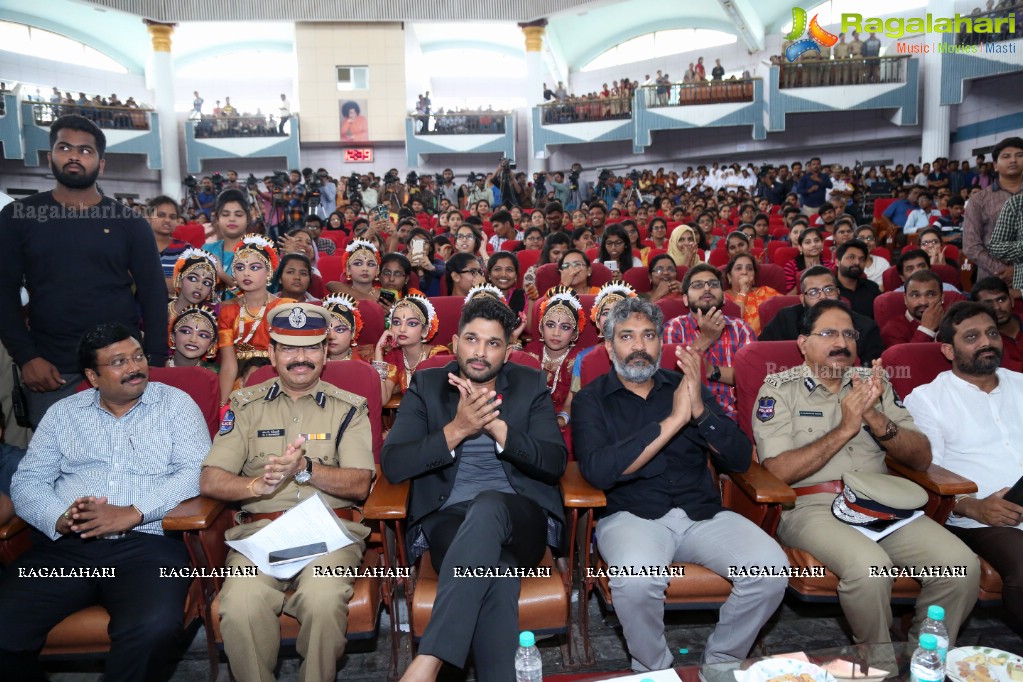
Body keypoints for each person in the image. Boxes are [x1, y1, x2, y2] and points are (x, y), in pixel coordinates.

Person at [573, 297, 786, 669]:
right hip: (631, 516)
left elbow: (737, 458)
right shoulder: (591, 400)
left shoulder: (687, 386)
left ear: (660, 343)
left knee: (771, 570)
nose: (639, 346)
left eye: (649, 335)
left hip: (700, 514)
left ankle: (721, 663)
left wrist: (700, 411)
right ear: (609, 347)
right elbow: (600, 471)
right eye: (627, 336)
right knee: (636, 580)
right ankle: (654, 670)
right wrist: (673, 421)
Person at [752, 299, 979, 647]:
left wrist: (874, 416)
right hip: (815, 506)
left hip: (883, 503)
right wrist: (844, 428)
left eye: (848, 334)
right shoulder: (780, 389)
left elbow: (921, 458)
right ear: (803, 343)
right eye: (827, 333)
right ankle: (880, 665)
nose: (840, 343)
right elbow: (777, 471)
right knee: (871, 570)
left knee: (959, 568)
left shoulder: (875, 383)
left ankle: (925, 657)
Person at [0, 323, 211, 681]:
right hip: (68, 549)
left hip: (149, 548)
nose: (134, 367)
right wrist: (59, 517)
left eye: (138, 356)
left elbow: (196, 473)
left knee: (154, 627)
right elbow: (28, 481)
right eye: (118, 362)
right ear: (92, 376)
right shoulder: (63, 414)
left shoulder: (175, 405)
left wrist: (132, 513)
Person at [381, 296, 567, 682]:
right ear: (454, 341)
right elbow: (395, 464)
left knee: (489, 505)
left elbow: (554, 463)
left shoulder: (530, 385)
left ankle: (429, 659)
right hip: (449, 519)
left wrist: (497, 427)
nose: (480, 352)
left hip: (521, 517)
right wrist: (458, 429)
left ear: (508, 351)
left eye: (493, 343)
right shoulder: (428, 386)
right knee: (495, 573)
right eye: (471, 339)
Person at [200, 303, 375, 682]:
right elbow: (211, 478)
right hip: (259, 535)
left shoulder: (349, 408)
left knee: (323, 599)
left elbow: (360, 483)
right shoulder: (245, 406)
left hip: (329, 536)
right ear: (273, 353)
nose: (301, 358)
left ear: (326, 352)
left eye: (311, 348)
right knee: (240, 604)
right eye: (289, 348)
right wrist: (253, 485)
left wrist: (306, 469)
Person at [0, 115, 168, 427]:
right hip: (50, 371)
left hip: (122, 368)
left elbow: (154, 295)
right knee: (57, 469)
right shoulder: (18, 217)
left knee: (134, 461)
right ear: (51, 156)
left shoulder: (129, 222)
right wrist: (27, 357)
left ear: (101, 165)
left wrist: (154, 363)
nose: (75, 156)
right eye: (65, 147)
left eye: (86, 151)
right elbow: (3, 291)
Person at [904, 302, 1023, 626]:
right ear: (947, 350)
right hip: (984, 519)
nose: (986, 341)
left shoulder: (1020, 384)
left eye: (991, 333)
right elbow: (928, 474)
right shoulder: (927, 399)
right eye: (972, 336)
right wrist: (972, 507)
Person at [663, 264, 755, 421]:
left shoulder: (741, 329)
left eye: (713, 284)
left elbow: (750, 377)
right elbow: (672, 378)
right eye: (697, 285)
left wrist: (710, 370)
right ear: (685, 299)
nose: (707, 288)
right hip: (687, 418)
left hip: (734, 416)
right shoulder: (674, 327)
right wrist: (706, 337)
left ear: (725, 296)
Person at [759, 266, 885, 366]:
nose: (823, 297)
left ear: (838, 293)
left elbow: (870, 372)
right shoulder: (786, 319)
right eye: (813, 292)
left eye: (829, 290)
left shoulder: (866, 326)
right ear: (803, 299)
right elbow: (761, 357)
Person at [964, 137, 1023, 284]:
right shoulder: (979, 200)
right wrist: (1003, 271)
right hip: (992, 281)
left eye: (1020, 155)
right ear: (995, 165)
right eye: (1006, 156)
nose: (1013, 160)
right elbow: (971, 246)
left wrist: (1018, 272)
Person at [374, 293, 447, 397]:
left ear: (425, 331)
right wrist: (379, 350)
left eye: (412, 323)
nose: (402, 329)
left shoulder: (438, 356)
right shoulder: (394, 357)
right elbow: (381, 399)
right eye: (396, 322)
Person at [880, 269, 944, 347]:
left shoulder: (954, 323)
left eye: (930, 295)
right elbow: (905, 359)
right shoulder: (892, 329)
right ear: (905, 298)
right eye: (915, 295)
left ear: (942, 298)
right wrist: (926, 329)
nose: (923, 302)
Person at [971, 276, 1023, 371]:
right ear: (977, 309)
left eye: (1001, 300)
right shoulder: (980, 341)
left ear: (1011, 301)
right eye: (988, 303)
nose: (997, 307)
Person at [723, 253, 780, 335]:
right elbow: (734, 320)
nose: (744, 272)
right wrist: (743, 291)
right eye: (738, 268)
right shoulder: (722, 297)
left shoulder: (766, 292)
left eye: (749, 269)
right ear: (729, 277)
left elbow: (786, 312)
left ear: (754, 278)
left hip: (764, 343)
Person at [834, 240, 881, 319]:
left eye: (861, 259)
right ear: (838, 262)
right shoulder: (829, 290)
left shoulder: (872, 288)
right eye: (851, 257)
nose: (857, 262)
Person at [168, 305, 218, 369]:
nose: (193, 340)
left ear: (211, 344)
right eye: (186, 331)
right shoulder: (155, 367)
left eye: (203, 335)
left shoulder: (217, 375)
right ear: (173, 336)